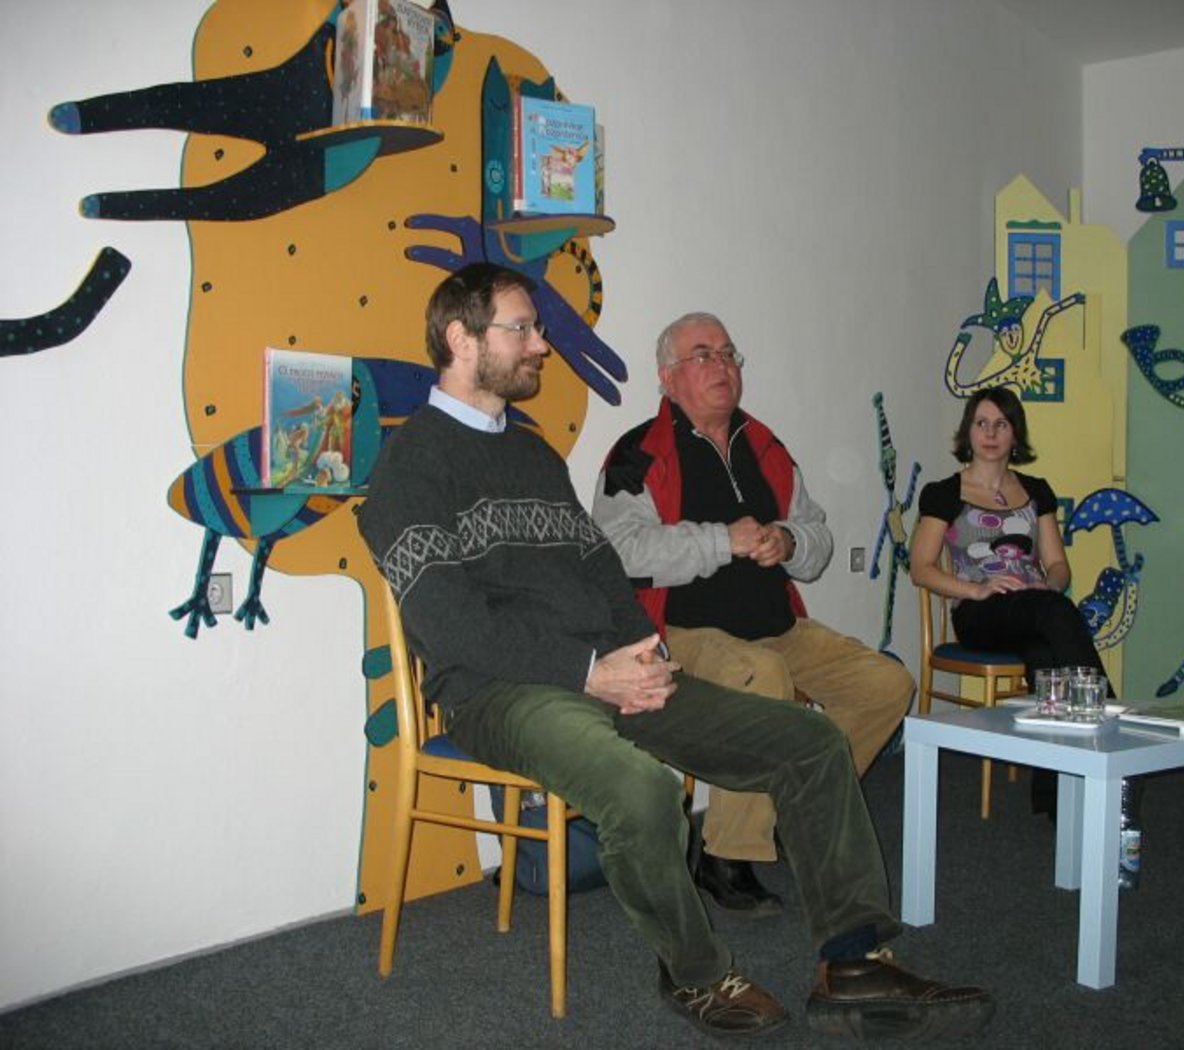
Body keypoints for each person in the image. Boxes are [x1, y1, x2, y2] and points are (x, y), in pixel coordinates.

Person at [358, 263, 993, 1041]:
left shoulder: (532, 455)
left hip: (606, 669)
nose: (541, 346)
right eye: (521, 329)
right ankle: (696, 972)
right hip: (500, 692)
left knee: (810, 741)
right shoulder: (410, 465)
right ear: (461, 340)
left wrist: (642, 652)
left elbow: (600, 567)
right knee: (642, 788)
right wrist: (590, 673)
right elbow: (453, 624)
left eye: (537, 329)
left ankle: (854, 960)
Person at [593, 311, 913, 917]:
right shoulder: (638, 454)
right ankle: (725, 854)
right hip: (681, 632)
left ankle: (799, 808)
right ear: (668, 377)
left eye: (728, 353)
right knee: (761, 676)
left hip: (778, 625)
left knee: (886, 684)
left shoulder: (765, 445)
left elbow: (816, 536)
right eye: (703, 354)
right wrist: (725, 541)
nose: (722, 365)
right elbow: (621, 551)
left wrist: (788, 542)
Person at [909, 387, 1114, 814]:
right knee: (1052, 614)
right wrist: (977, 589)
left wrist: (1048, 587)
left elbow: (1058, 566)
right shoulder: (944, 492)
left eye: (1001, 424)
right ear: (967, 431)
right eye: (981, 423)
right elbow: (921, 568)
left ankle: (1055, 798)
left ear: (1015, 433)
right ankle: (1111, 723)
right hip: (980, 612)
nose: (990, 433)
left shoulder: (1036, 491)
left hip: (1035, 610)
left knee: (1045, 658)